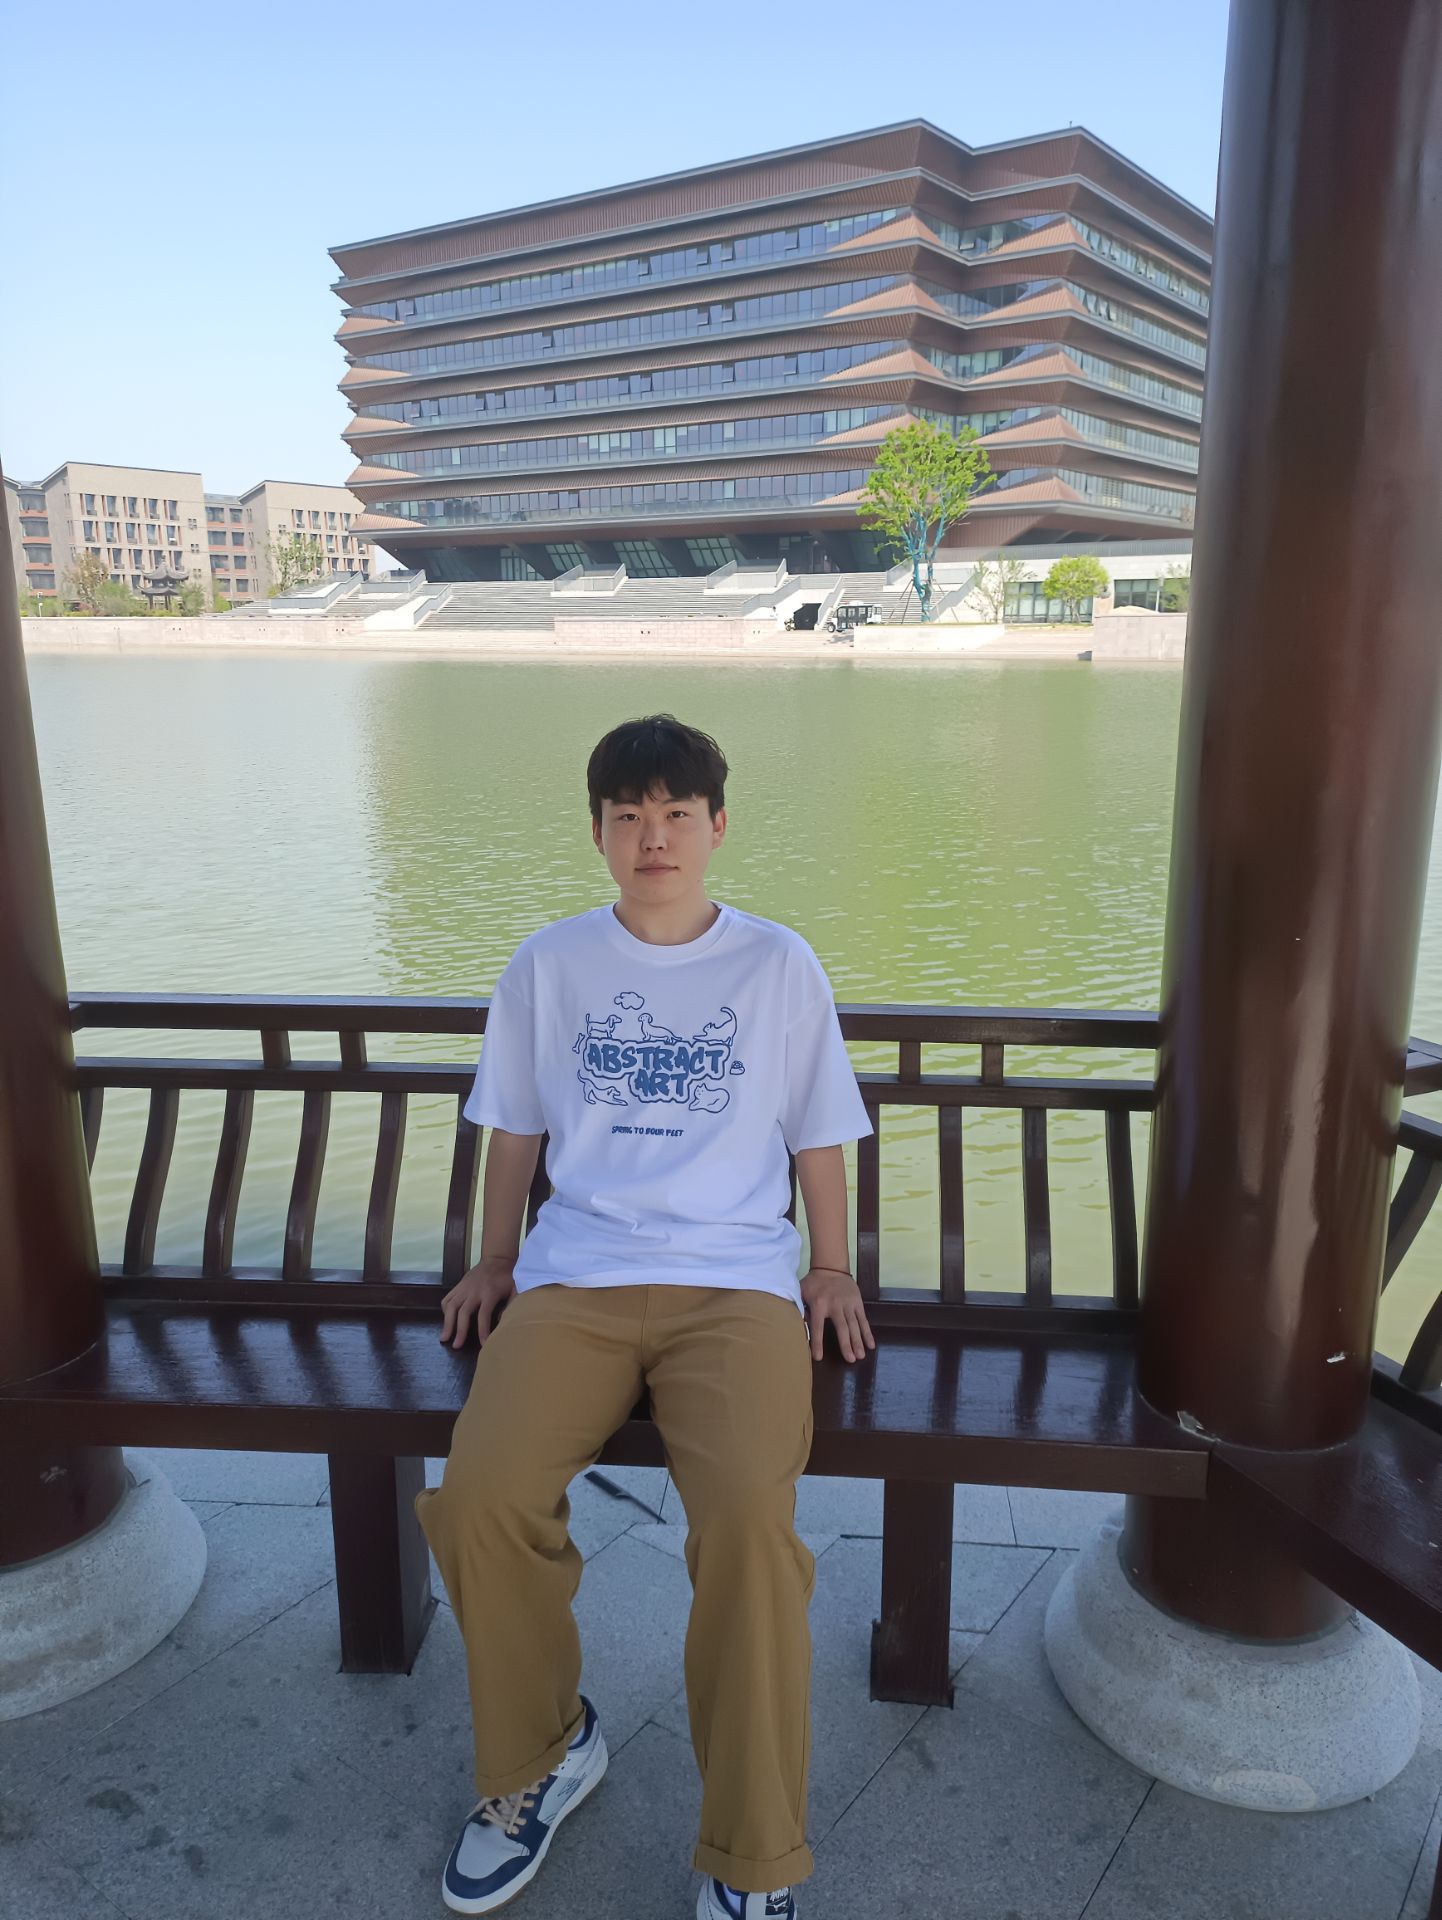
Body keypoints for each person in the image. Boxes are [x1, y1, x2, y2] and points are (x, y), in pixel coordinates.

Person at [416, 712, 875, 1920]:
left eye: (675, 814)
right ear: (597, 833)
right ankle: (542, 1754)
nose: (652, 836)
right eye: (628, 816)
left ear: (716, 826)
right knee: (480, 1497)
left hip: (735, 1288)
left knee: (749, 1534)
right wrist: (495, 1257)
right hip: (575, 1279)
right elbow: (515, 1127)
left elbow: (817, 1131)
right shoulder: (550, 964)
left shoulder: (776, 965)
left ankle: (750, 1854)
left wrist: (831, 1266)